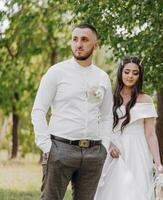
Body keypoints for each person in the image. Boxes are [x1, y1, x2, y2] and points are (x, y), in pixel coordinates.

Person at [31, 23, 112, 200]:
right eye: (75, 39)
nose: (79, 44)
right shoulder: (56, 72)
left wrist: (104, 146)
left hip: (93, 153)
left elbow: (107, 116)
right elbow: (38, 110)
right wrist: (47, 146)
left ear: (96, 45)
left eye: (84, 39)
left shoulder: (102, 77)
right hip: (60, 149)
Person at [94, 57, 163, 200]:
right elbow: (98, 125)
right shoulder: (109, 97)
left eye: (135, 73)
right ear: (121, 72)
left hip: (137, 151)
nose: (130, 76)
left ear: (140, 76)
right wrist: (109, 144)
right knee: (111, 191)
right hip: (113, 150)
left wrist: (158, 165)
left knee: (136, 192)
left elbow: (151, 134)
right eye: (127, 72)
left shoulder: (146, 100)